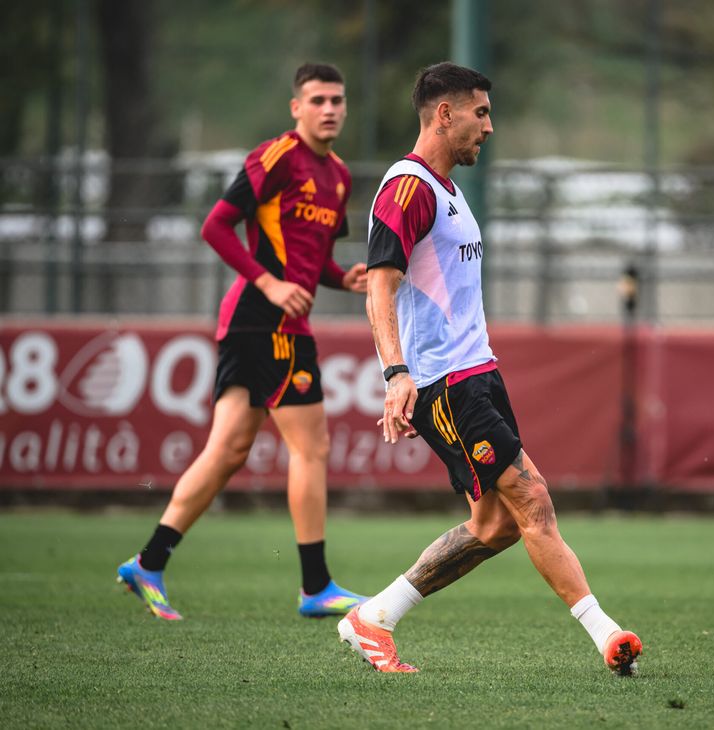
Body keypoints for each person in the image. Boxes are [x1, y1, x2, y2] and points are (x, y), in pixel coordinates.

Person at [336, 62, 642, 675]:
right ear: (444, 114)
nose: (489, 126)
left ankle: (374, 618)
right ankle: (608, 636)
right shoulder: (408, 187)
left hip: (477, 373)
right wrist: (397, 373)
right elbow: (380, 285)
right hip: (445, 384)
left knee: (497, 525)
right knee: (533, 500)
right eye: (480, 112)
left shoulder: (446, 189)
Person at [117, 63, 368, 620]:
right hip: (263, 321)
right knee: (312, 448)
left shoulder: (340, 176)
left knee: (228, 450)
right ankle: (316, 586)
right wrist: (271, 284)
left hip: (270, 324)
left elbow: (313, 259)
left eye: (337, 100)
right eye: (318, 99)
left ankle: (149, 561)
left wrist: (341, 277)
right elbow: (215, 226)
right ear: (295, 107)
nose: (329, 109)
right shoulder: (276, 157)